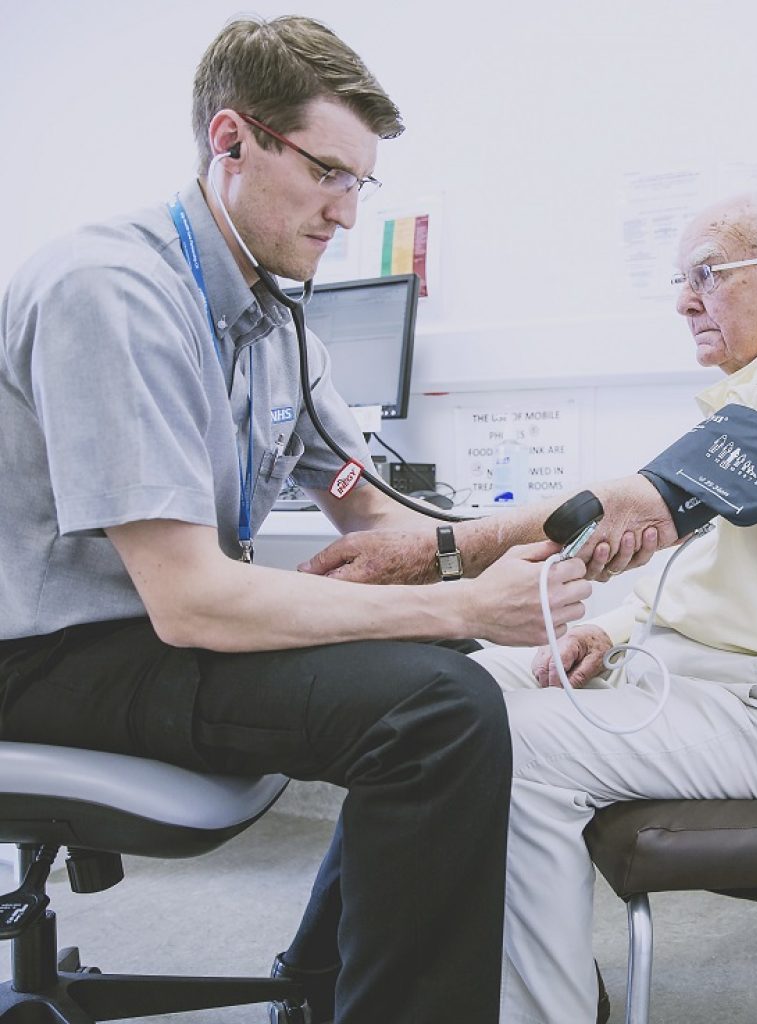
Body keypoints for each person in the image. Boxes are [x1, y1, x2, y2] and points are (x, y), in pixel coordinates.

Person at [0, 16, 614, 1024]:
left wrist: (531, 558)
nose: (345, 211)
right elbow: (194, 600)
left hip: (148, 634)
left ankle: (322, 993)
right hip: (48, 655)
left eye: (359, 184)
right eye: (329, 173)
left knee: (447, 673)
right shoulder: (114, 293)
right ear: (231, 140)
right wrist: (468, 599)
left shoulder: (273, 315)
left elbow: (376, 511)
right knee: (434, 708)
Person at [305, 190, 757, 1024]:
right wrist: (607, 630)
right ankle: (320, 973)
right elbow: (710, 555)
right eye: (682, 278)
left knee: (507, 749)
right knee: (421, 704)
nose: (683, 299)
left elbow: (647, 504)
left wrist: (434, 550)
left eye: (708, 275)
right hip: (722, 682)